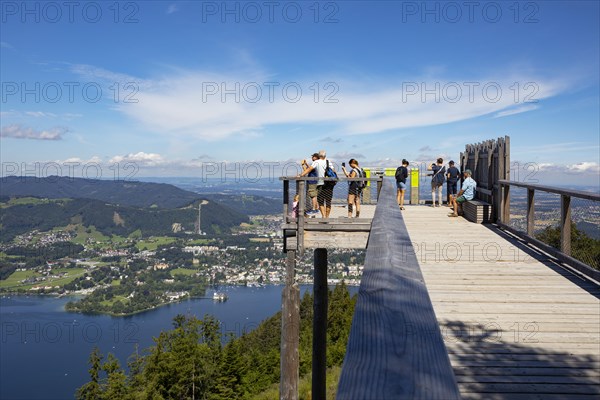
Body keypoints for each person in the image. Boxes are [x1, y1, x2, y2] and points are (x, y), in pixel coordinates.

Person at [299, 150, 331, 218]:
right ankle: (316, 210)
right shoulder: (320, 163)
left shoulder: (316, 163)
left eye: (313, 156)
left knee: (313, 196)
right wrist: (306, 164)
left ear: (316, 157)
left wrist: (302, 168)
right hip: (318, 182)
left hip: (312, 182)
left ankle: (314, 209)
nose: (312, 157)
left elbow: (307, 170)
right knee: (315, 196)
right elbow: (310, 168)